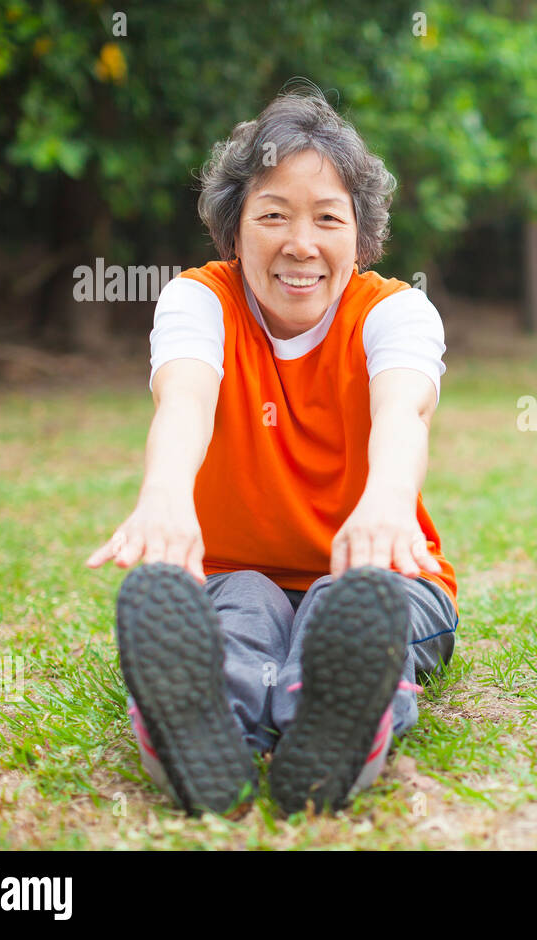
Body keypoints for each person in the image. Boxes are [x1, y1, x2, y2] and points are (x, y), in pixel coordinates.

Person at [86, 85, 458, 815]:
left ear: (361, 235)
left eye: (327, 218)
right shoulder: (199, 300)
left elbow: (403, 412)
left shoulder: (396, 313)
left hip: (382, 575)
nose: (301, 243)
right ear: (234, 232)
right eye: (273, 215)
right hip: (236, 570)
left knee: (343, 604)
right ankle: (197, 733)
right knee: (243, 609)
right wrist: (163, 495)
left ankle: (342, 720)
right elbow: (185, 398)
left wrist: (386, 501)